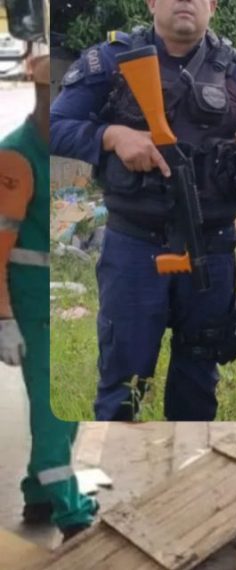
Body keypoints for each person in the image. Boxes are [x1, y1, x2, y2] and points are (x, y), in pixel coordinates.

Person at [50, 0, 236, 420]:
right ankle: (117, 476)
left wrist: (235, 178)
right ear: (152, 2)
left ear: (213, 6)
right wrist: (112, 136)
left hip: (211, 248)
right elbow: (53, 125)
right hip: (134, 245)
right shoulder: (111, 61)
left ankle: (186, 477)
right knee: (123, 386)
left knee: (197, 381)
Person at [2, 55, 99, 541]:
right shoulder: (16, 157)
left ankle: (38, 494)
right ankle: (70, 511)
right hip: (36, 305)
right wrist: (3, 318)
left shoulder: (64, 148)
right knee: (54, 412)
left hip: (67, 298)